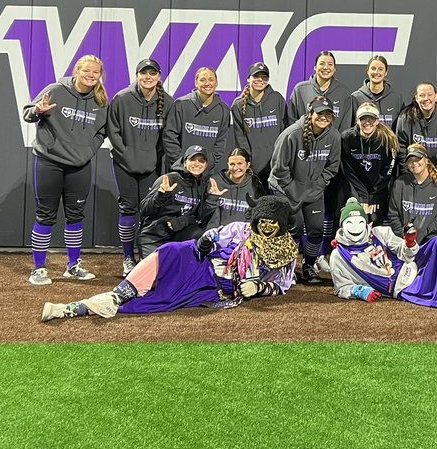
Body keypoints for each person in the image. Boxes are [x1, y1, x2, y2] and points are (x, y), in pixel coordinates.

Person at [41, 195, 299, 322]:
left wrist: (259, 287)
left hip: (216, 286)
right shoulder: (240, 230)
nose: (265, 227)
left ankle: (72, 309)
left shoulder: (286, 252)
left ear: (283, 225)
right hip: (201, 261)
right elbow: (214, 237)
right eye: (262, 221)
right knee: (170, 251)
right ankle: (116, 295)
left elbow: (282, 285)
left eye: (272, 223)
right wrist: (206, 239)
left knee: (160, 300)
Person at [22, 53, 108, 285]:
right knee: (46, 215)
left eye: (95, 72)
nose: (90, 76)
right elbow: (28, 113)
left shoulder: (101, 101)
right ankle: (39, 268)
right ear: (76, 71)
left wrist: (88, 150)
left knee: (75, 216)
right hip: (49, 162)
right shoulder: (56, 90)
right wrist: (38, 110)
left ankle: (73, 265)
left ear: (100, 76)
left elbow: (102, 132)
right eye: (86, 71)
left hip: (79, 165)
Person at [107, 57, 173, 275]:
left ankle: (145, 257)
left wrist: (155, 158)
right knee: (128, 208)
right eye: (144, 73)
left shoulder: (168, 102)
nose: (148, 77)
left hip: (151, 166)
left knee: (148, 212)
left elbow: (168, 137)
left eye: (152, 73)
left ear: (159, 77)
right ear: (137, 75)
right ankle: (127, 258)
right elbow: (113, 131)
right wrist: (125, 155)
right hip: (124, 164)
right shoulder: (122, 98)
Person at [268, 96, 342, 284]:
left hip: (313, 190)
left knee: (316, 229)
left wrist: (317, 186)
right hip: (285, 189)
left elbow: (332, 167)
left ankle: (308, 266)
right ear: (310, 114)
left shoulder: (333, 137)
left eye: (328, 114)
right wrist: (293, 191)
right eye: (319, 113)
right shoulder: (292, 134)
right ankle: (289, 268)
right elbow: (278, 168)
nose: (323, 118)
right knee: (295, 228)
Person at [137, 145, 220, 258]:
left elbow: (199, 218)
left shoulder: (202, 185)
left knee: (199, 236)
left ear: (206, 165)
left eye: (201, 161)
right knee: (159, 273)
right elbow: (144, 210)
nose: (197, 163)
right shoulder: (168, 179)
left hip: (179, 234)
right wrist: (161, 195)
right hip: (154, 236)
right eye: (192, 159)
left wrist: (212, 199)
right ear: (184, 162)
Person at [161, 66, 234, 171]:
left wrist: (207, 164)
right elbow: (170, 137)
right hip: (180, 170)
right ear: (196, 83)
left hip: (206, 172)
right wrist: (182, 163)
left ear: (216, 83)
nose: (207, 83)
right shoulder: (181, 105)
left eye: (211, 80)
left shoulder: (224, 110)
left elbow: (221, 143)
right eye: (202, 80)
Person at [338, 102, 398, 224]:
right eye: (363, 118)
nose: (367, 122)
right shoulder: (347, 138)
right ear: (357, 121)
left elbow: (388, 171)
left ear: (377, 121)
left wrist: (374, 195)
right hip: (353, 188)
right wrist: (362, 196)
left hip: (378, 190)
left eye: (371, 118)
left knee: (374, 223)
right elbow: (347, 170)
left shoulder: (388, 139)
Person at [231, 62, 287, 183]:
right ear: (248, 79)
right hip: (252, 168)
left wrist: (281, 159)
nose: (260, 80)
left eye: (264, 77)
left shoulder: (277, 99)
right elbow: (240, 139)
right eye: (256, 76)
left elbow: (284, 131)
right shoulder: (238, 105)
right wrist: (248, 163)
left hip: (276, 165)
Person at [387, 143, 437, 241]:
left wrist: (424, 233)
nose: (414, 163)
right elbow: (393, 214)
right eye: (410, 161)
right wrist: (403, 234)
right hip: (404, 240)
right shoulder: (400, 183)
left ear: (426, 160)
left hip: (430, 239)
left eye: (418, 159)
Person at [287, 50, 355, 129]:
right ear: (315, 67)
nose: (326, 67)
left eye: (330, 64)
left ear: (334, 69)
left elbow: (345, 126)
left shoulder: (343, 92)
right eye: (322, 64)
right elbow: (291, 121)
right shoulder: (300, 90)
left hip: (333, 141)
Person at [395, 82, 437, 166]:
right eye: (422, 95)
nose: (426, 98)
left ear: (436, 96)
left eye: (430, 95)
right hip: (413, 170)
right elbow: (401, 146)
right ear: (416, 98)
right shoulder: (405, 117)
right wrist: (408, 169)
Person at [210, 147, 266, 224]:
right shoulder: (215, 182)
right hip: (219, 233)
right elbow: (205, 215)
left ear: (247, 165)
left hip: (245, 233)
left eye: (240, 163)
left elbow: (258, 216)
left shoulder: (256, 184)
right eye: (232, 164)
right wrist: (212, 198)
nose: (236, 168)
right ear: (227, 165)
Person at [351, 55, 403, 128]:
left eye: (380, 69)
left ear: (386, 72)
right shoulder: (356, 97)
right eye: (373, 68)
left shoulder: (396, 98)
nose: (376, 72)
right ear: (368, 71)